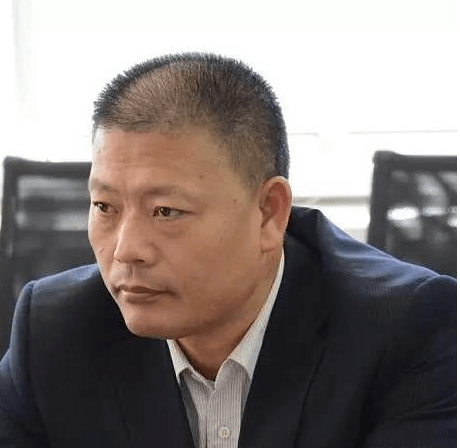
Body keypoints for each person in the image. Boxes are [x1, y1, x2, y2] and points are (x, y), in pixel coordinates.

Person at [0, 53, 456, 448]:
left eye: (165, 211)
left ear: (268, 213)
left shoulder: (407, 328)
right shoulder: (54, 331)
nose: (126, 251)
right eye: (104, 206)